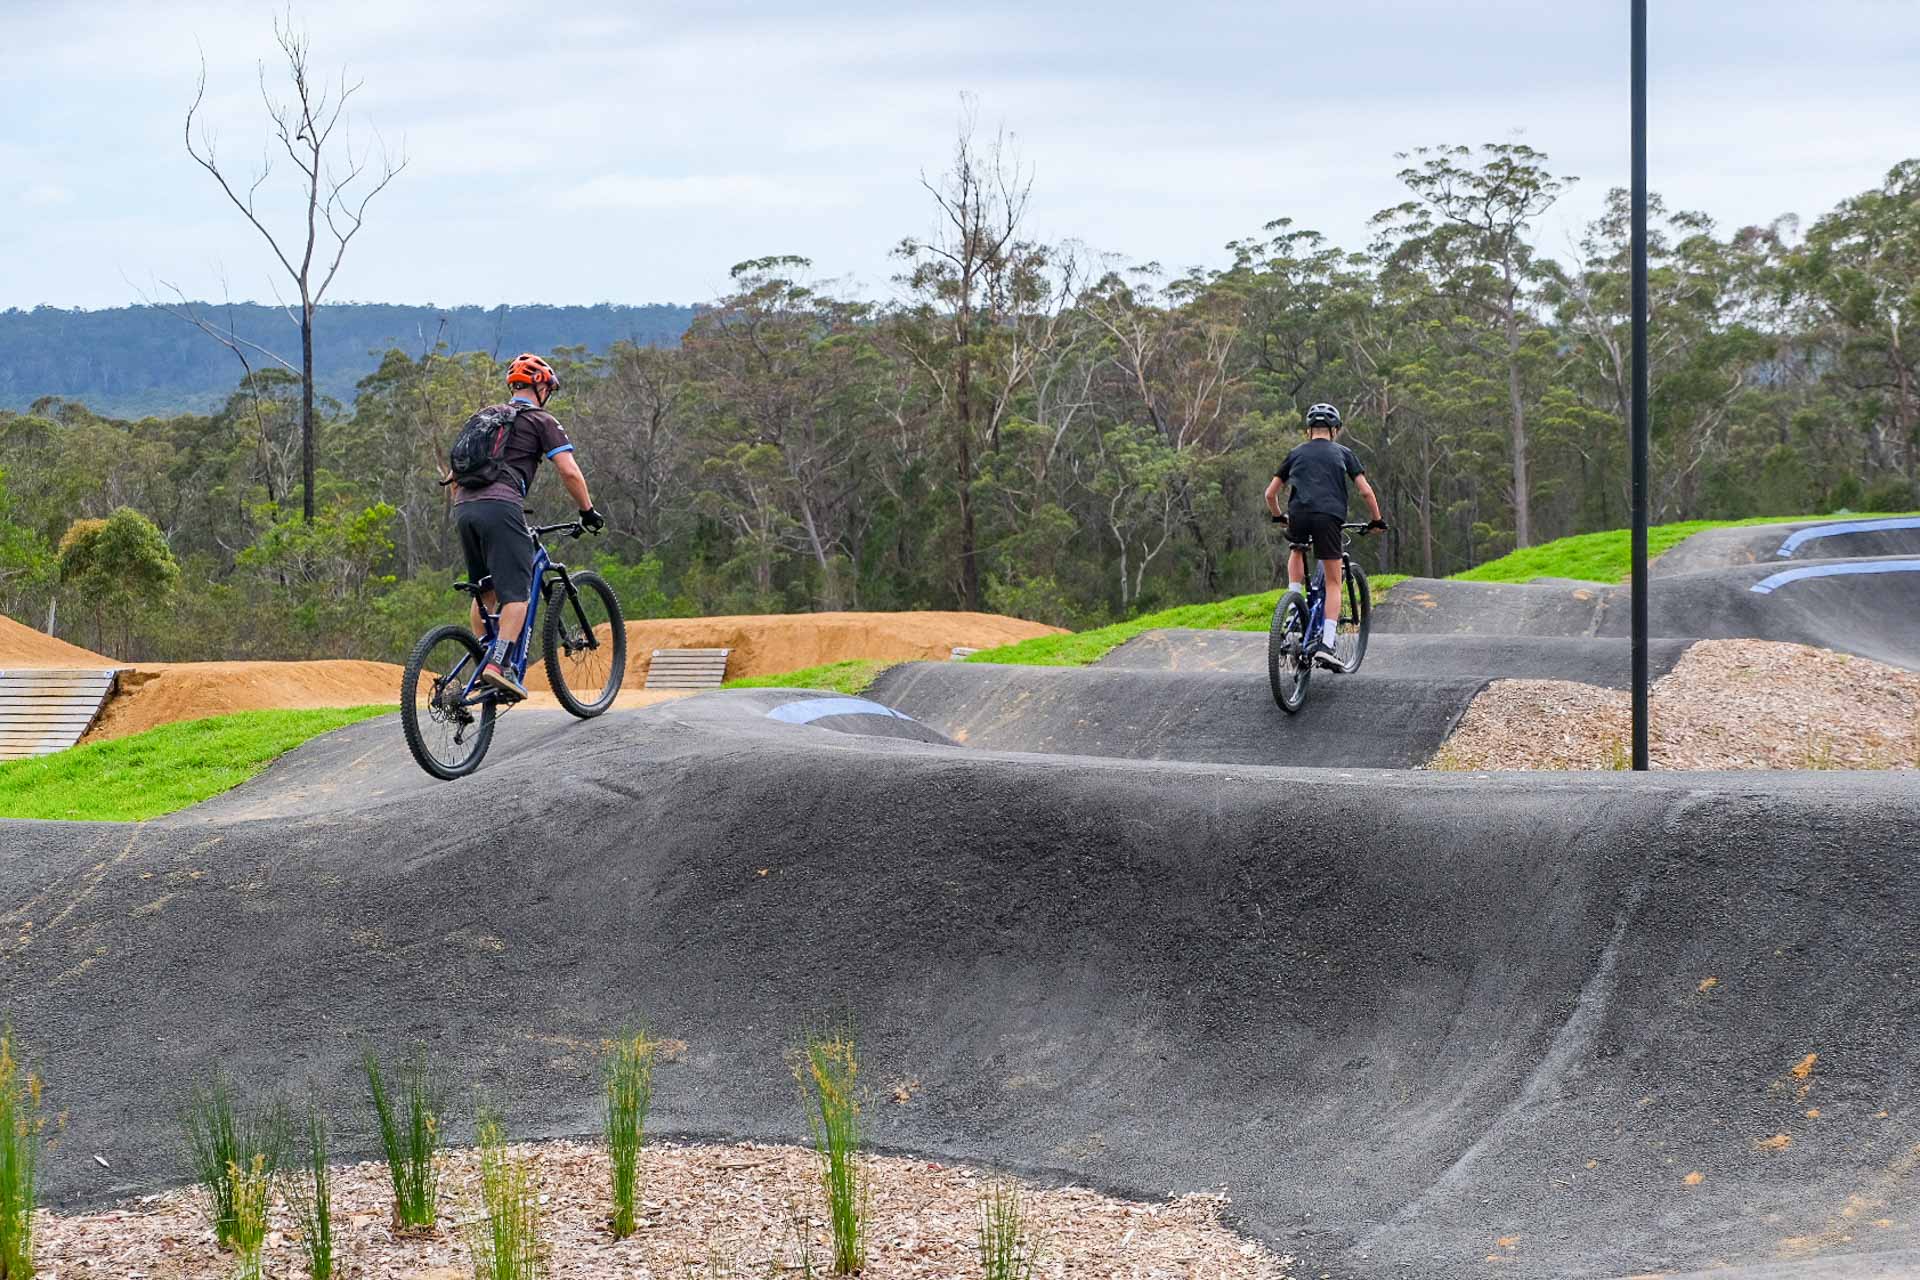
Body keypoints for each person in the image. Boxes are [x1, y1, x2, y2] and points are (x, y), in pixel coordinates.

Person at [448, 353, 606, 701]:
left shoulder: (483, 418)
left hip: (463, 508)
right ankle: (499, 664)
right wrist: (588, 511)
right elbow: (568, 470)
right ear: (541, 387)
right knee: (515, 594)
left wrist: (471, 511)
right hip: (501, 506)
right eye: (548, 388)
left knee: (484, 590)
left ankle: (484, 656)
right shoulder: (541, 420)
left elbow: (454, 476)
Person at [1264, 403, 1385, 657]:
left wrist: (1278, 517)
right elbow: (1365, 491)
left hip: (1298, 513)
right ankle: (1327, 644)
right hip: (1329, 516)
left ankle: (1293, 605)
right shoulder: (1343, 453)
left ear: (1309, 430)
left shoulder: (1295, 453)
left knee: (1297, 550)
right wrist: (1376, 520)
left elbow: (1270, 493)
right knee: (1333, 581)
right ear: (1335, 430)